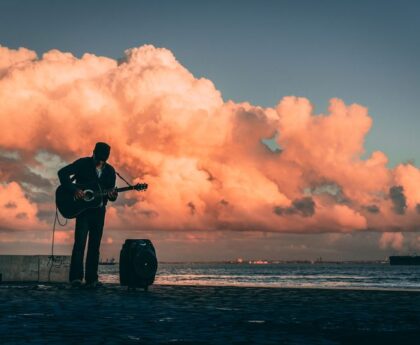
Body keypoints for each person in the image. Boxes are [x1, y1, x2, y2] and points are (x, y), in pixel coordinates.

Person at [58, 142, 118, 288]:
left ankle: (92, 279)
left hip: (99, 211)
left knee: (95, 246)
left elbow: (111, 196)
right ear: (94, 153)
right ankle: (76, 278)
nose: (100, 162)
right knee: (80, 244)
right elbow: (62, 173)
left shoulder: (110, 171)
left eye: (103, 159)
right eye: (98, 158)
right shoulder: (83, 163)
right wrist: (74, 190)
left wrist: (112, 195)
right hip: (82, 211)